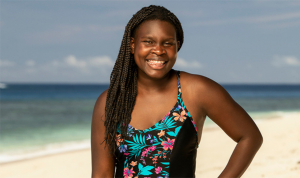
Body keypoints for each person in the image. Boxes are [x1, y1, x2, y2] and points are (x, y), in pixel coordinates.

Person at [91, 5, 263, 178]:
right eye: (148, 42)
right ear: (132, 44)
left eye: (167, 43)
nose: (158, 50)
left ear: (177, 46)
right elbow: (102, 173)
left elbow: (250, 137)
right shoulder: (110, 101)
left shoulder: (196, 91)